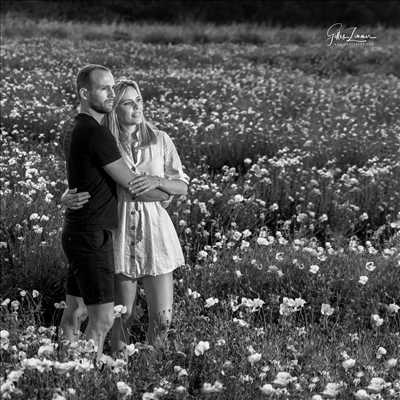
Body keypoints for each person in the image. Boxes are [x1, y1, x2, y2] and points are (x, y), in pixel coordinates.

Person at [63, 78, 189, 353]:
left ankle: (154, 369)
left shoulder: (160, 139)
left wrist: (158, 182)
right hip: (119, 231)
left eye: (139, 101)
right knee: (124, 315)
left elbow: (181, 185)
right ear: (115, 109)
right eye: (127, 103)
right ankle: (121, 371)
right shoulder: (106, 141)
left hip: (155, 232)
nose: (136, 108)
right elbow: (83, 179)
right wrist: (65, 196)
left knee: (163, 318)